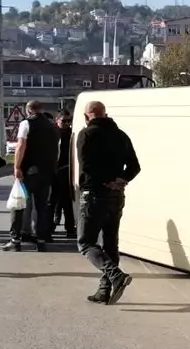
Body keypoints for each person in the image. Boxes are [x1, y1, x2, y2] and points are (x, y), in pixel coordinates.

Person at [76, 100, 140, 304]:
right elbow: (134, 166)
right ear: (105, 114)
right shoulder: (120, 135)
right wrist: (120, 180)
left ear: (87, 116)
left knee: (86, 243)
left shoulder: (86, 135)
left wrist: (104, 182)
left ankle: (115, 275)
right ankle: (104, 290)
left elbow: (86, 166)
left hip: (95, 194)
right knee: (111, 242)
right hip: (116, 195)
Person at [3, 100, 59, 252]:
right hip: (47, 172)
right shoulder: (52, 126)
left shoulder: (26, 124)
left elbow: (21, 145)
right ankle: (41, 239)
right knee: (42, 207)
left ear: (28, 111)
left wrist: (17, 167)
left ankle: (15, 239)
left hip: (29, 171)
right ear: (41, 110)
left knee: (18, 204)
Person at [50, 111, 77, 238]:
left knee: (67, 201)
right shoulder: (52, 133)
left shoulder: (72, 134)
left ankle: (70, 228)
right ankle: (50, 227)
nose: (67, 123)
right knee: (53, 201)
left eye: (68, 121)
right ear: (57, 120)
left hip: (67, 170)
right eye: (64, 121)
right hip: (54, 170)